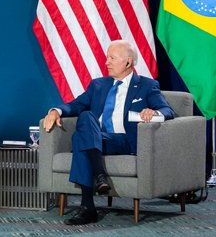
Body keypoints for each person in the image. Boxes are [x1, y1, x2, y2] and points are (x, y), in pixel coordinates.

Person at [42, 39, 175, 225]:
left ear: (128, 62)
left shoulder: (147, 85)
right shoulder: (98, 85)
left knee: (80, 138)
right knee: (86, 117)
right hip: (99, 138)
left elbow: (168, 111)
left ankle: (88, 206)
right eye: (107, 58)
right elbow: (77, 104)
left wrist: (153, 112)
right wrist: (57, 111)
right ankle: (99, 178)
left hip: (125, 140)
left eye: (112, 58)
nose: (107, 62)